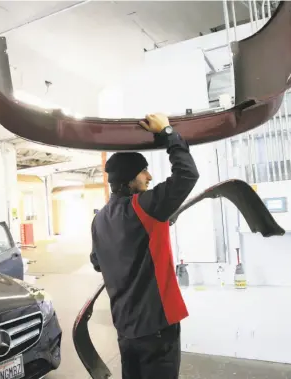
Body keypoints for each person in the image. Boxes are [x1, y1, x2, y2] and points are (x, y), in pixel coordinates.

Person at [90, 112, 199, 379]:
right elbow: (187, 175)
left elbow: (97, 262)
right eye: (143, 171)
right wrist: (168, 133)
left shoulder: (99, 219)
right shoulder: (145, 208)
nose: (149, 176)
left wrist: (149, 233)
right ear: (129, 179)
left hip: (126, 328)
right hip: (156, 328)